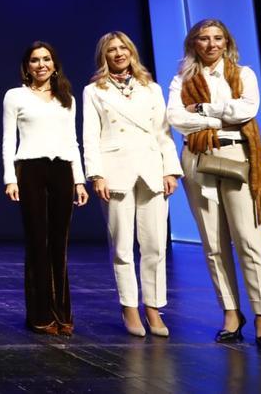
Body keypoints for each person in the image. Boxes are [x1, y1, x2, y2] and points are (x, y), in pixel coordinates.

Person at [166, 18, 261, 351]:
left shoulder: (243, 75)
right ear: (193, 44)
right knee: (214, 244)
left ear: (227, 43)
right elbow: (176, 118)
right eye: (204, 38)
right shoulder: (181, 79)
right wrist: (221, 115)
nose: (211, 44)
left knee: (248, 241)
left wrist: (203, 109)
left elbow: (248, 110)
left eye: (218, 38)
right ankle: (231, 314)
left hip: (237, 156)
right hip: (198, 158)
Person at [82, 31, 181, 337]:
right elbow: (90, 135)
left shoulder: (150, 88)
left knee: (154, 244)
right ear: (104, 56)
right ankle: (129, 307)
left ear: (131, 52)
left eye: (122, 47)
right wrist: (96, 174)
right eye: (111, 49)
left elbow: (163, 132)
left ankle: (153, 307)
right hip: (115, 172)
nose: (118, 53)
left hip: (151, 169)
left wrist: (170, 171)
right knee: (122, 245)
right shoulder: (94, 91)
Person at [2, 41, 88, 336]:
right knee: (38, 242)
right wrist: (9, 178)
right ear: (27, 66)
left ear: (55, 64)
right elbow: (7, 141)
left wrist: (79, 180)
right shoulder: (15, 96)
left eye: (46, 59)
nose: (41, 65)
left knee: (59, 243)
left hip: (62, 168)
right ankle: (40, 315)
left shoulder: (66, 98)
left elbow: (72, 141)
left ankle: (62, 313)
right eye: (35, 60)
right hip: (31, 169)